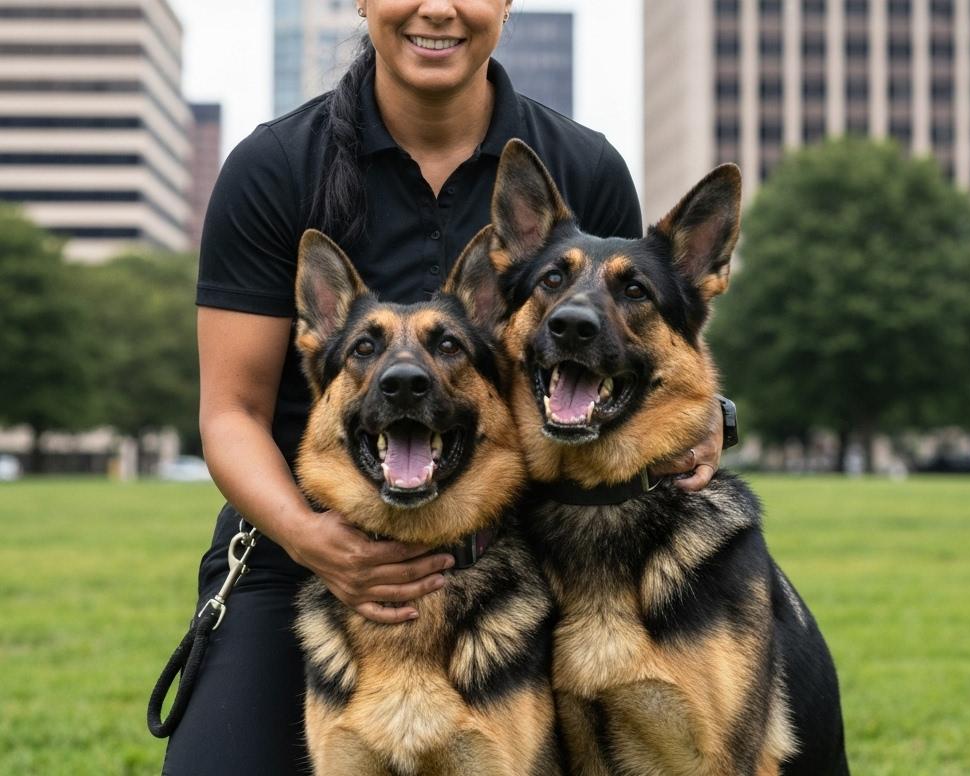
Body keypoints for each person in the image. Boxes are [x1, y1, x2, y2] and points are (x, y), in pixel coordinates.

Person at [161, 1, 725, 773]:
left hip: (518, 553)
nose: (438, 8)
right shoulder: (273, 167)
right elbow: (232, 413)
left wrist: (708, 415)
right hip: (299, 546)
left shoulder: (581, 164)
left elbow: (630, 354)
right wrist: (314, 539)